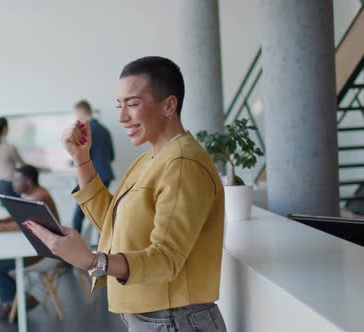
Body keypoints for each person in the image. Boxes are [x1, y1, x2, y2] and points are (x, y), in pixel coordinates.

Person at [25, 57, 227, 332]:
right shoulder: (150, 159)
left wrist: (92, 260)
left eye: (132, 104)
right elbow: (112, 223)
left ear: (169, 105)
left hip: (174, 320)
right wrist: (81, 159)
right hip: (156, 318)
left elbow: (166, 259)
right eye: (119, 106)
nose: (121, 117)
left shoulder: (182, 164)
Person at [0, 165, 59, 319]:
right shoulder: (35, 194)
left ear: (28, 181)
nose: (13, 183)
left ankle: (18, 299)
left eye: (17, 180)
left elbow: (22, 222)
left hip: (43, 253)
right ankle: (13, 299)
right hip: (38, 248)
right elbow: (19, 217)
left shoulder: (39, 198)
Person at [71, 100, 115, 234]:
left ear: (80, 112)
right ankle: (104, 247)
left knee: (79, 216)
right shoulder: (105, 130)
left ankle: (74, 249)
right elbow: (112, 156)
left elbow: (82, 156)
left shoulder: (86, 131)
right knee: (101, 214)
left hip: (92, 177)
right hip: (106, 175)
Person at [0, 117, 26, 205]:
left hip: (1, 185)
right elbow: (23, 165)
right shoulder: (9, 147)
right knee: (18, 212)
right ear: (5, 128)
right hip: (11, 185)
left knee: (6, 214)